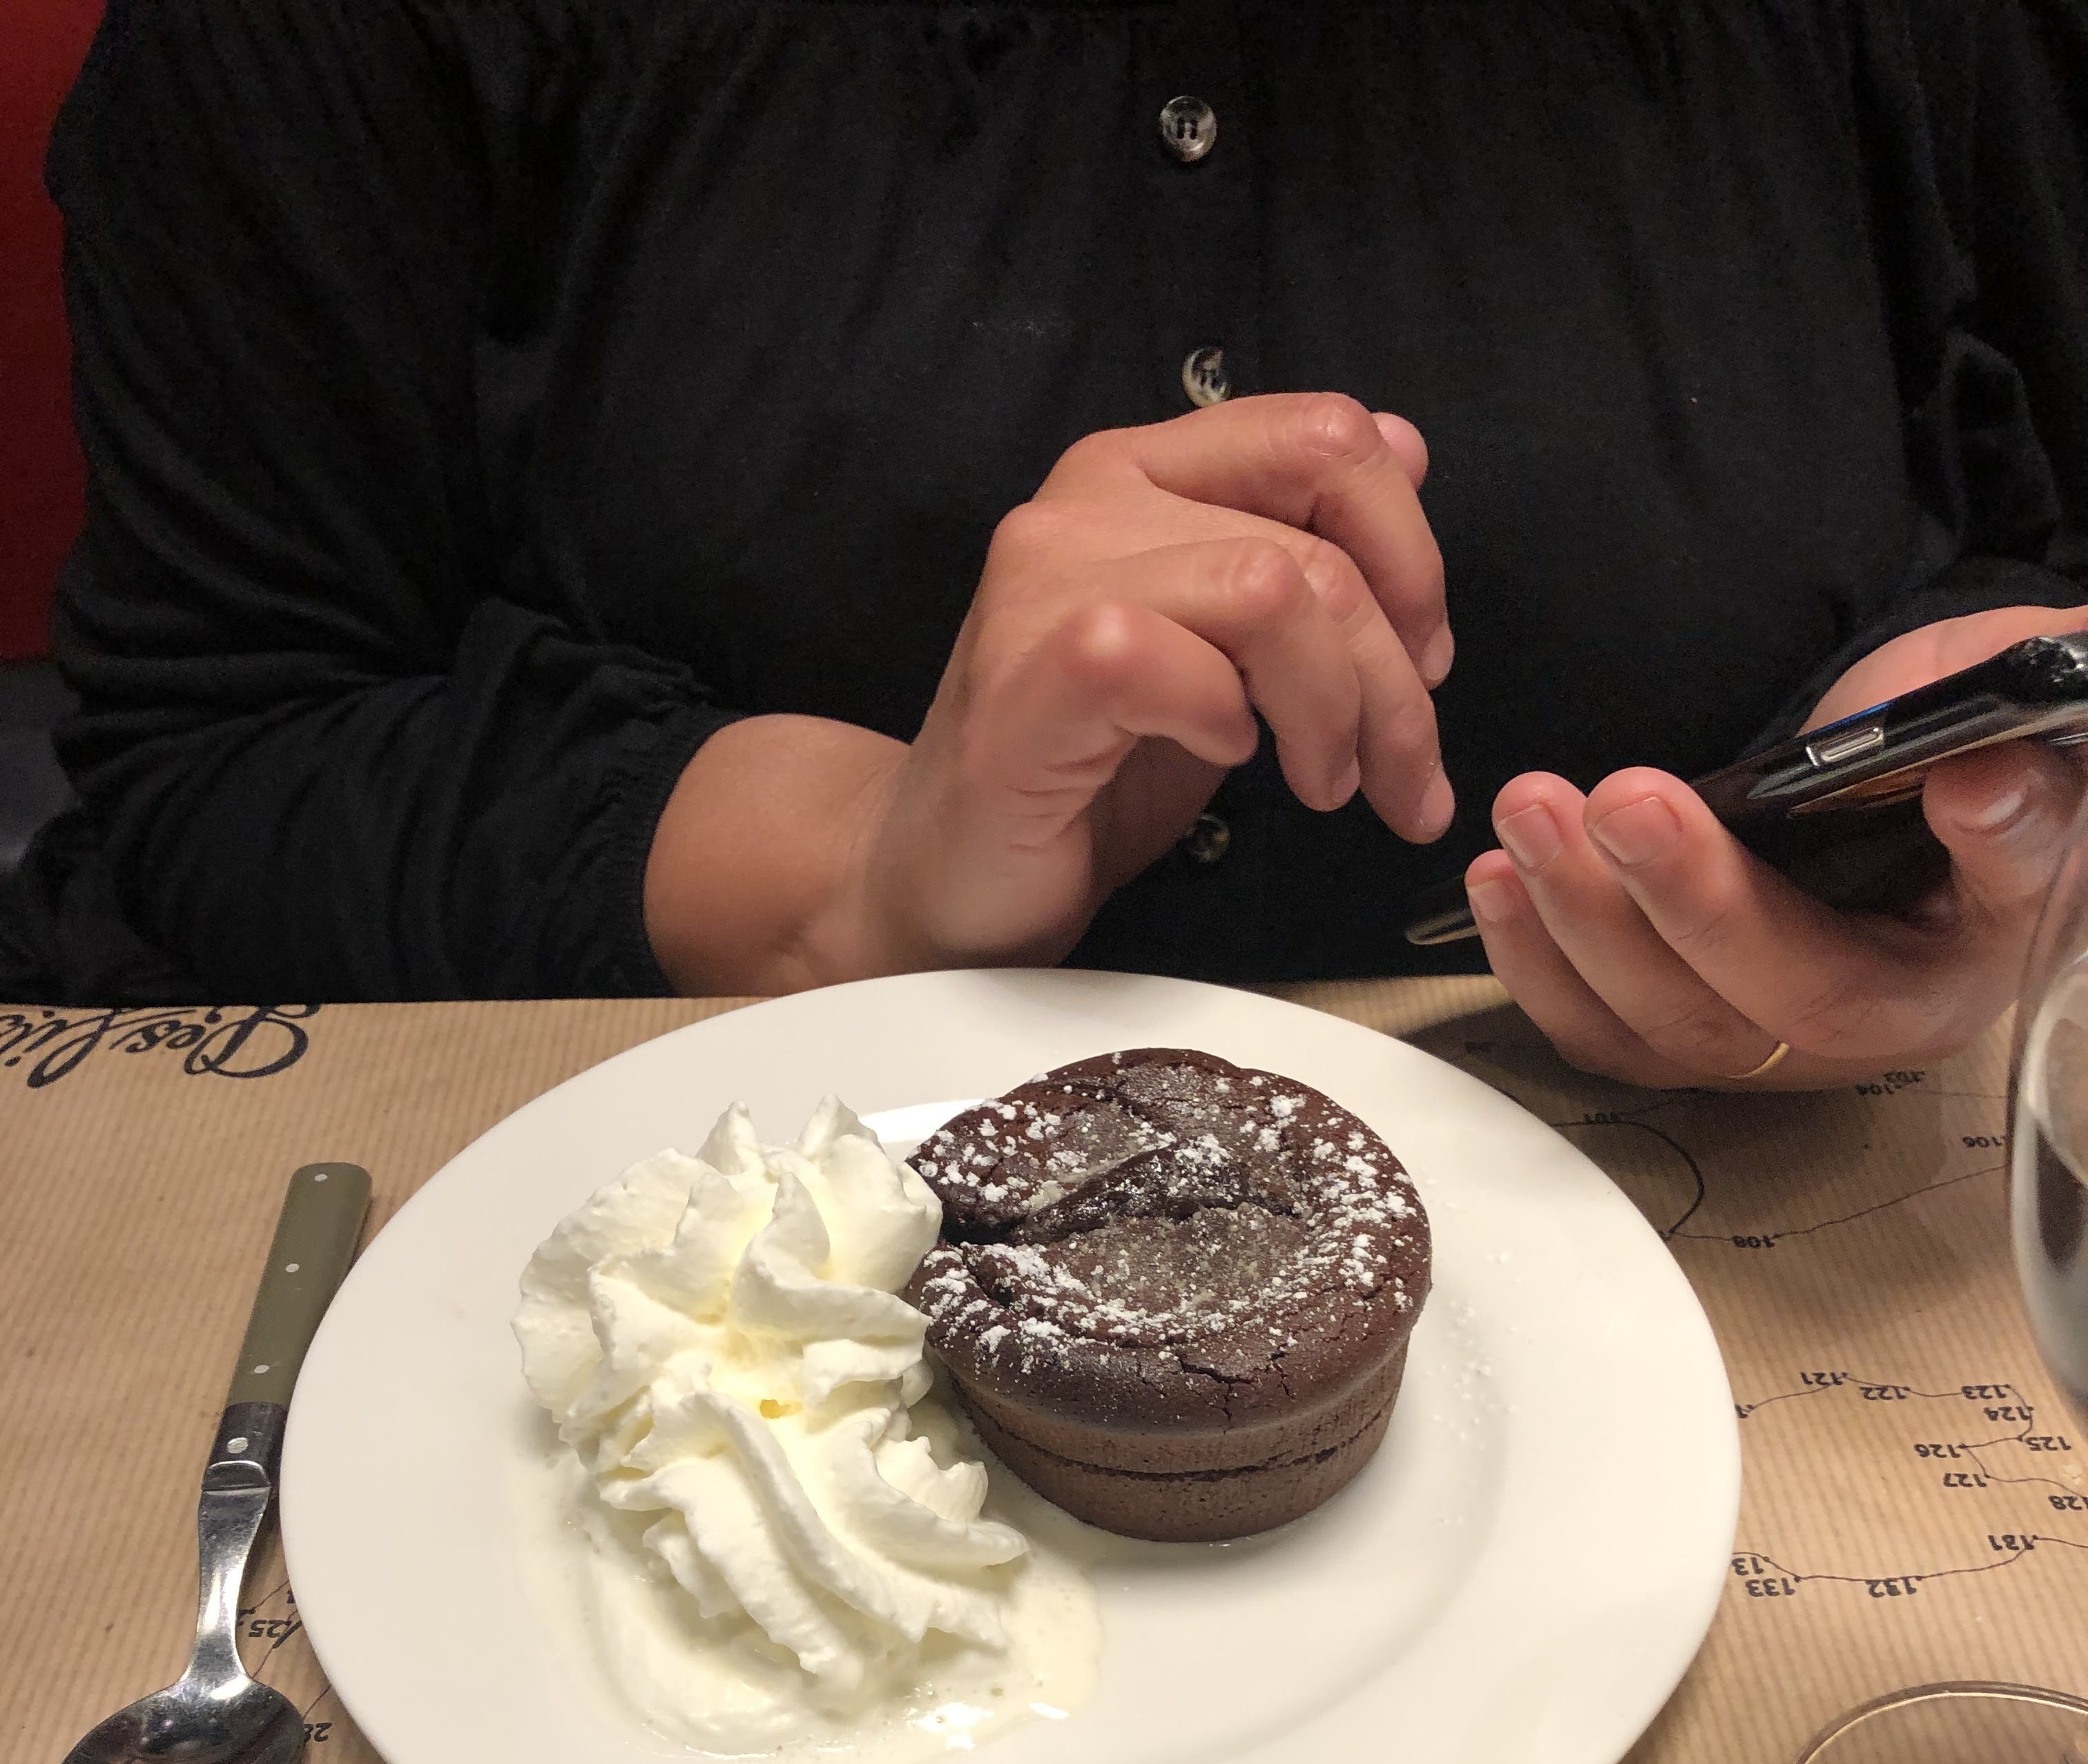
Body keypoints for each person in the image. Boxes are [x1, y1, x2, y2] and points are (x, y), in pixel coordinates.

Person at [12, 0, 2087, 1089]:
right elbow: (232, 732)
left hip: (1764, 1271)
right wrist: (855, 879)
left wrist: (1954, 824)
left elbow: (2028, 509)